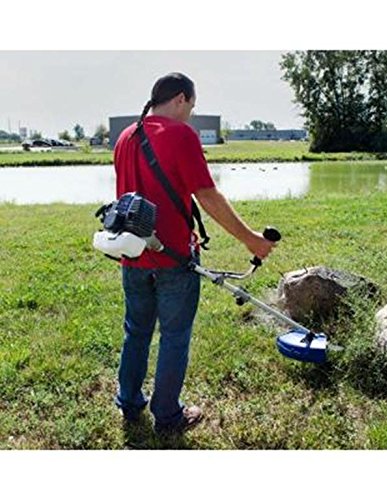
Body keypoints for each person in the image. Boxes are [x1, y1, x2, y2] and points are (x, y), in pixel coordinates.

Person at [113, 72, 276, 434]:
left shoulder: (125, 137)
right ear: (181, 98)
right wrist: (251, 240)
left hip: (132, 254)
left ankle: (129, 402)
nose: (191, 115)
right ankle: (168, 416)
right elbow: (207, 196)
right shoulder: (180, 134)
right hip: (173, 260)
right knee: (174, 336)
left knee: (136, 331)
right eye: (192, 106)